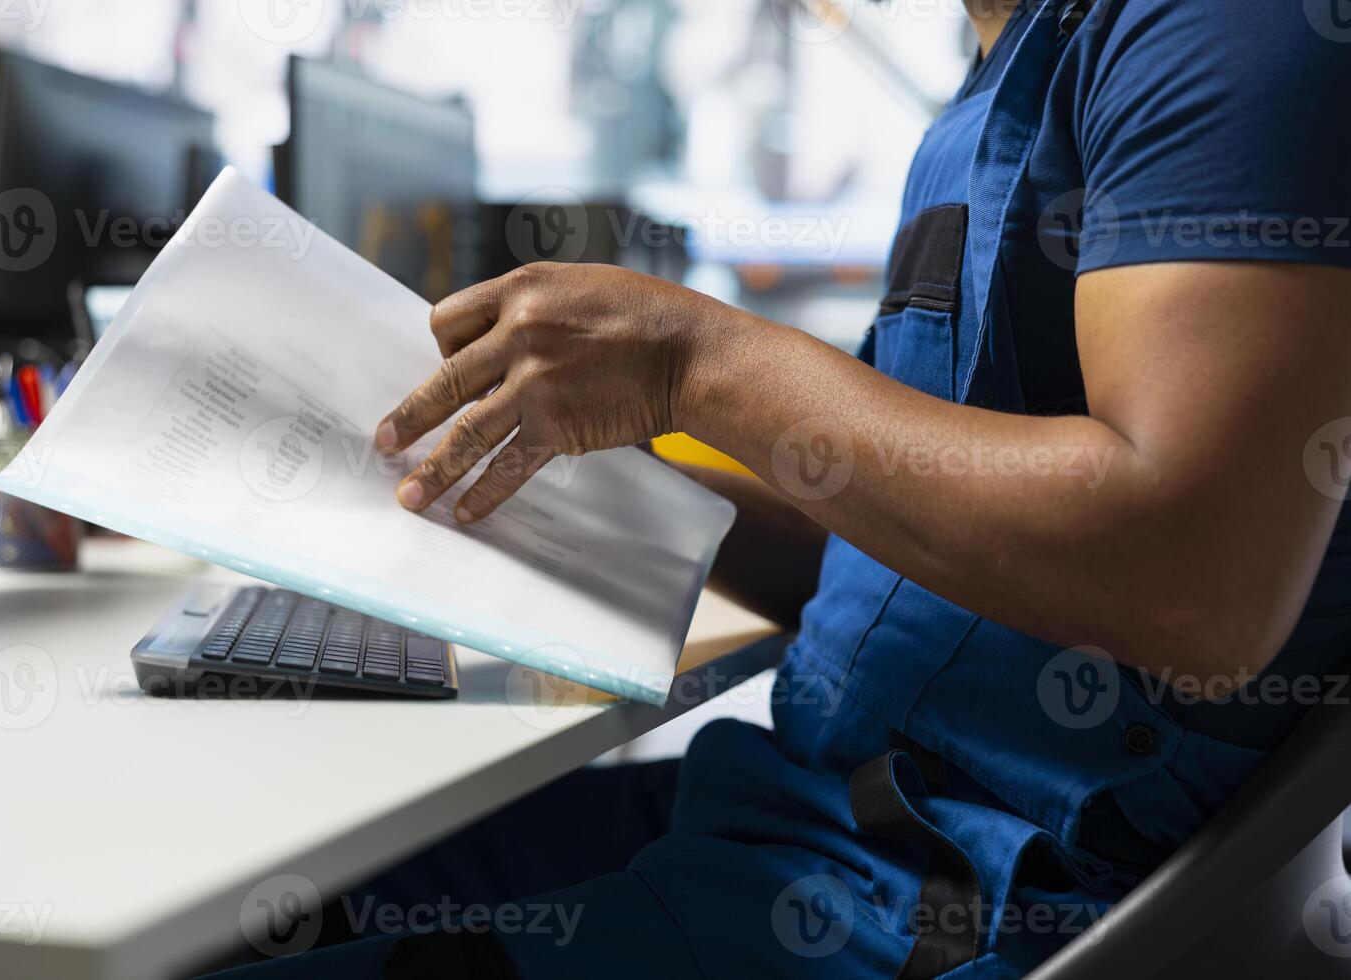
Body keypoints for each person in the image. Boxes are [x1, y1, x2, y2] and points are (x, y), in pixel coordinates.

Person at [213, 1, 1351, 976]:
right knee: (253, 891)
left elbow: (1199, 578)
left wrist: (688, 363)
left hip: (934, 892)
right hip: (799, 810)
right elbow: (899, 559)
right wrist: (597, 483)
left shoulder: (1223, 33)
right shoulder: (994, 83)